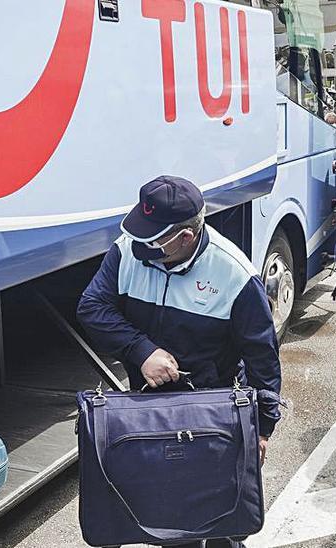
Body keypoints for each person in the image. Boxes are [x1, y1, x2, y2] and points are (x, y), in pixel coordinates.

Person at [76, 176, 283, 545]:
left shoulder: (234, 275)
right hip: (147, 409)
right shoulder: (128, 250)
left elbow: (262, 357)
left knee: (221, 521)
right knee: (166, 516)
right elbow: (92, 307)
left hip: (210, 417)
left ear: (185, 238)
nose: (138, 246)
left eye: (151, 239)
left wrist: (262, 427)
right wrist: (142, 351)